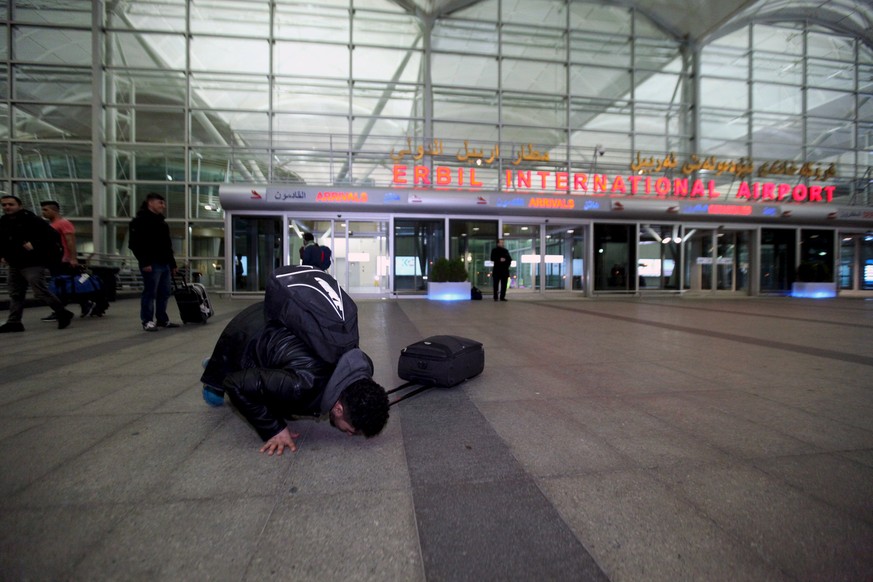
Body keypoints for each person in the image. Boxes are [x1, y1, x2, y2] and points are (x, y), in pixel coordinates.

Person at [200, 289, 389, 456]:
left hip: (278, 320)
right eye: (352, 429)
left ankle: (225, 365)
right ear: (338, 409)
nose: (350, 434)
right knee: (215, 395)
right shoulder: (302, 384)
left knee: (287, 396)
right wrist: (274, 429)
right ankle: (217, 363)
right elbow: (235, 384)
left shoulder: (361, 367)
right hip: (245, 333)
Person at [0, 195, 74, 332]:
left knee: (39, 290)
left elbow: (52, 236)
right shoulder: (4, 221)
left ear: (19, 205)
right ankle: (14, 321)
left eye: (11, 204)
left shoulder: (31, 219)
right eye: (4, 205)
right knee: (16, 293)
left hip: (32, 262)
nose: (7, 207)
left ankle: (62, 312)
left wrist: (34, 245)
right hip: (15, 262)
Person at [129, 192, 180, 332]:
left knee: (164, 292)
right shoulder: (140, 222)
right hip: (151, 263)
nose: (163, 206)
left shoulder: (162, 223)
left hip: (164, 263)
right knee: (150, 292)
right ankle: (147, 320)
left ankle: (162, 319)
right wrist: (145, 262)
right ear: (150, 203)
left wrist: (172, 264)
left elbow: (167, 245)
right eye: (160, 203)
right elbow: (135, 244)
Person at [39, 200, 86, 321]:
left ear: (54, 210)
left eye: (46, 210)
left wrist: (73, 258)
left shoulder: (63, 223)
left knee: (62, 286)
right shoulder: (51, 225)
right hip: (55, 260)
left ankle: (60, 310)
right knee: (63, 286)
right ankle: (82, 305)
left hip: (63, 260)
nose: (43, 212)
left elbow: (70, 241)